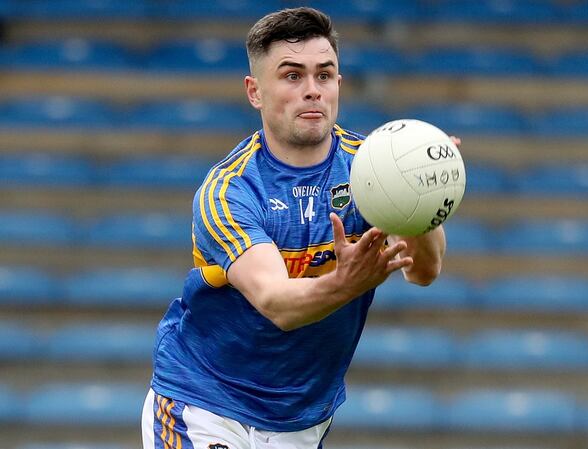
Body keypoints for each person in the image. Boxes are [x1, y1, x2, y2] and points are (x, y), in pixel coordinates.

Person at [141, 7, 448, 449]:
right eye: (291, 76)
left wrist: (423, 199)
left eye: (324, 75)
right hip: (204, 403)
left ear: (339, 84)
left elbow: (424, 271)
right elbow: (277, 303)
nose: (312, 91)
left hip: (302, 419)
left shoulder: (375, 168)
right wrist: (346, 283)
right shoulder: (229, 190)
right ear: (255, 92)